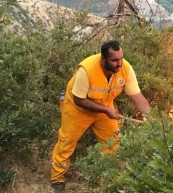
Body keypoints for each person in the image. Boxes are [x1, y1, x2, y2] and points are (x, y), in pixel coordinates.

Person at [50, 40, 151, 191]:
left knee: (113, 143)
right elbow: (79, 100)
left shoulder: (126, 69)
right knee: (67, 141)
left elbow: (137, 97)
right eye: (114, 60)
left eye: (121, 58)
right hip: (77, 108)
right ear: (103, 59)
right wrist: (106, 110)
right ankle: (57, 178)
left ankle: (109, 179)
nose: (119, 63)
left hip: (105, 107)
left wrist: (152, 118)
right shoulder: (87, 69)